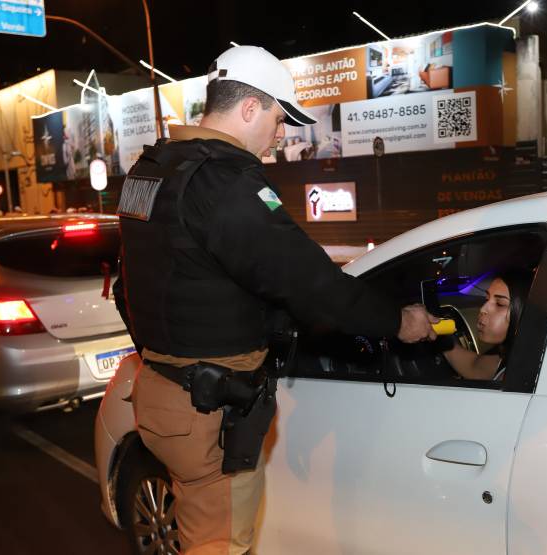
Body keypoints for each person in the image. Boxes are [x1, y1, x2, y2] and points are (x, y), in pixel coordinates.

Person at [112, 45, 437, 555]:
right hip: (207, 410)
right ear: (248, 109)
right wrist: (398, 322)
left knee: (200, 529)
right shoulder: (226, 186)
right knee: (222, 544)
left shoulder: (151, 170)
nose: (282, 134)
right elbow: (312, 285)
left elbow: (141, 280)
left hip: (160, 393)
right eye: (279, 118)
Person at [443, 270, 533, 381]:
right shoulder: (507, 357)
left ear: (526, 313)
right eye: (486, 299)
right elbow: (473, 367)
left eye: (499, 304)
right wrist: (439, 336)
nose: (483, 309)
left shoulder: (525, 375)